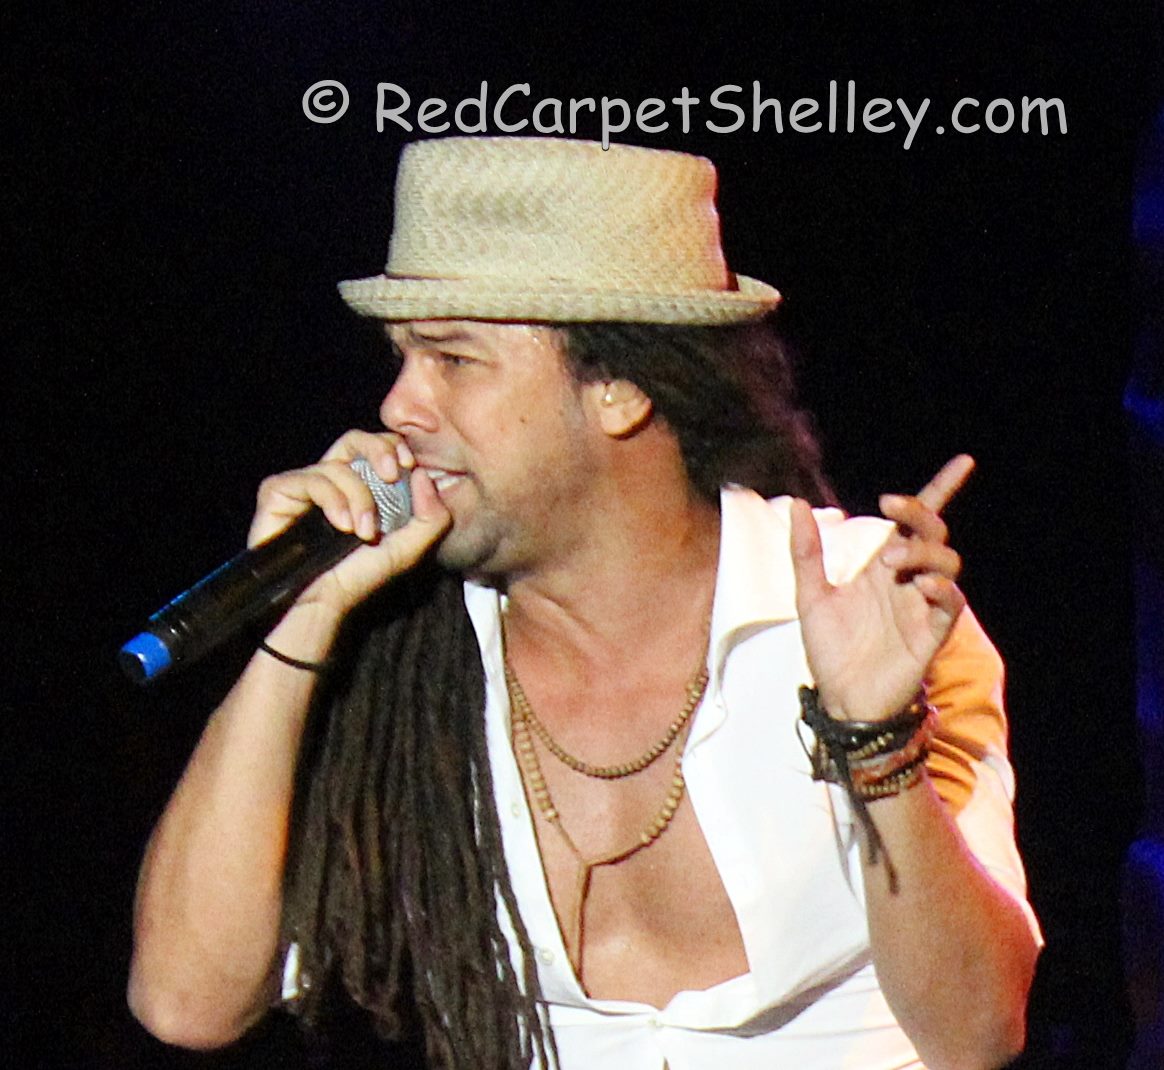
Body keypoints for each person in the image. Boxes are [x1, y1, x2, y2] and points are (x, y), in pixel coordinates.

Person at [127, 137, 1042, 1069]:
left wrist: (874, 740)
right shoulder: (398, 644)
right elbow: (186, 1003)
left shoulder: (859, 604)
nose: (399, 407)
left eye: (454, 359)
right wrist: (304, 619)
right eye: (401, 359)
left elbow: (976, 1035)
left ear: (620, 389)